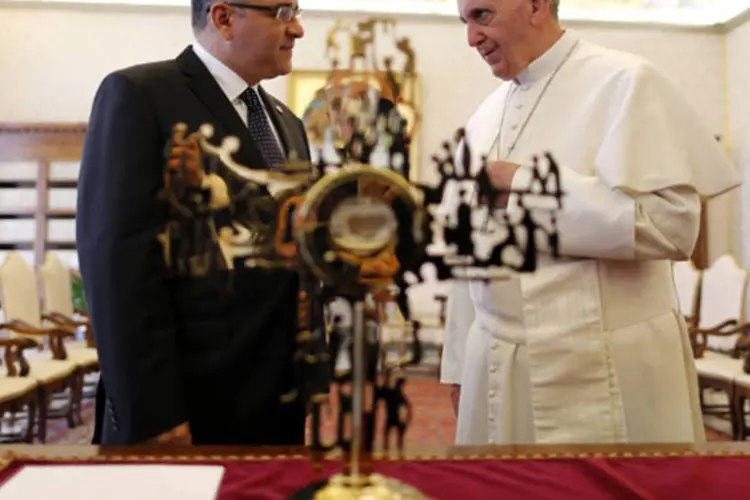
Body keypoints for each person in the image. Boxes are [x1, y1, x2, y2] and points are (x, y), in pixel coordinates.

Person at [440, 0, 741, 445]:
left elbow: (673, 226)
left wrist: (527, 187)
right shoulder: (484, 115)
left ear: (537, 5)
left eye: (482, 16)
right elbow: (469, 251)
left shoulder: (626, 82)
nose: (471, 38)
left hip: (609, 368)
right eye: (464, 20)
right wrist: (460, 364)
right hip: (499, 368)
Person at [77, 0, 324, 445]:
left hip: (275, 403)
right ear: (224, 17)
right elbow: (117, 266)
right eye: (282, 13)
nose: (298, 29)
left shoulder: (288, 123)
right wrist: (153, 414)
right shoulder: (142, 95)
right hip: (186, 405)